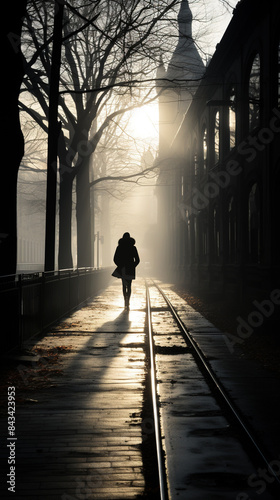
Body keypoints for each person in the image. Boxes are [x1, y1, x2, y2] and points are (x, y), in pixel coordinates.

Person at [112, 232, 140, 310]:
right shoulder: (133, 247)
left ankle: (125, 300)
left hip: (122, 268)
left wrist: (120, 265)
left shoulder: (119, 247)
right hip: (130, 269)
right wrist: (133, 266)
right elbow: (137, 260)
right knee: (129, 285)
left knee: (124, 285)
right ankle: (128, 300)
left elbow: (115, 258)